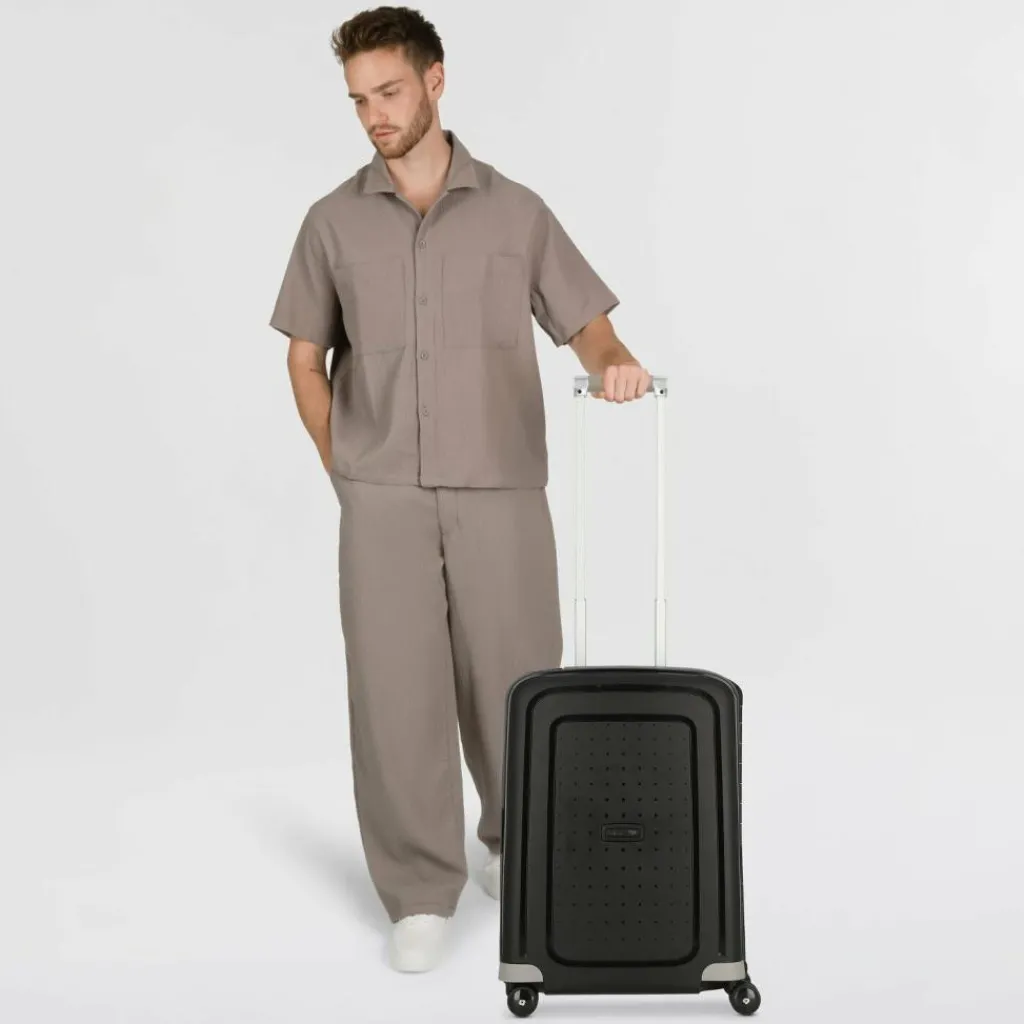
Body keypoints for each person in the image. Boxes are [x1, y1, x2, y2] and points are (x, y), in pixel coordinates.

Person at [269, 6, 652, 972]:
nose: (374, 115)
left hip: (501, 486)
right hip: (382, 496)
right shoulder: (330, 222)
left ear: (435, 81)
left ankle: (517, 846)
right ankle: (416, 890)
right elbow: (305, 360)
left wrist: (614, 362)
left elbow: (588, 325)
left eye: (389, 92)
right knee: (394, 693)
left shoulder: (517, 213)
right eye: (359, 99)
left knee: (516, 681)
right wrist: (344, 466)